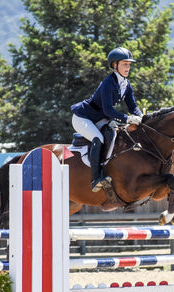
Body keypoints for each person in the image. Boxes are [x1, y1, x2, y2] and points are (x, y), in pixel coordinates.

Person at [71, 47, 143, 192]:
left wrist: (142, 117)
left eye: (129, 64)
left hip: (99, 118)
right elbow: (108, 110)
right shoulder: (108, 83)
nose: (128, 67)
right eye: (124, 64)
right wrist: (128, 119)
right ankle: (96, 178)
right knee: (98, 138)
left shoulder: (126, 85)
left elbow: (133, 106)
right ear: (114, 65)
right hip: (83, 117)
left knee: (115, 135)